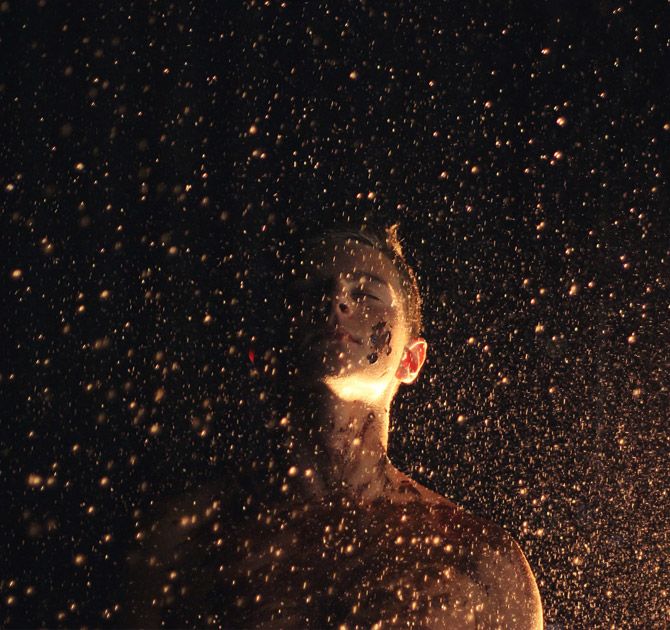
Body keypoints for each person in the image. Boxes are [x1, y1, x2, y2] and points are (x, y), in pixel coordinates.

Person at [123, 223, 543, 628]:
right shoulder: (181, 542)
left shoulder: (479, 558)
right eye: (310, 291)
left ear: (410, 359)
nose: (335, 301)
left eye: (365, 293)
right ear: (264, 351)